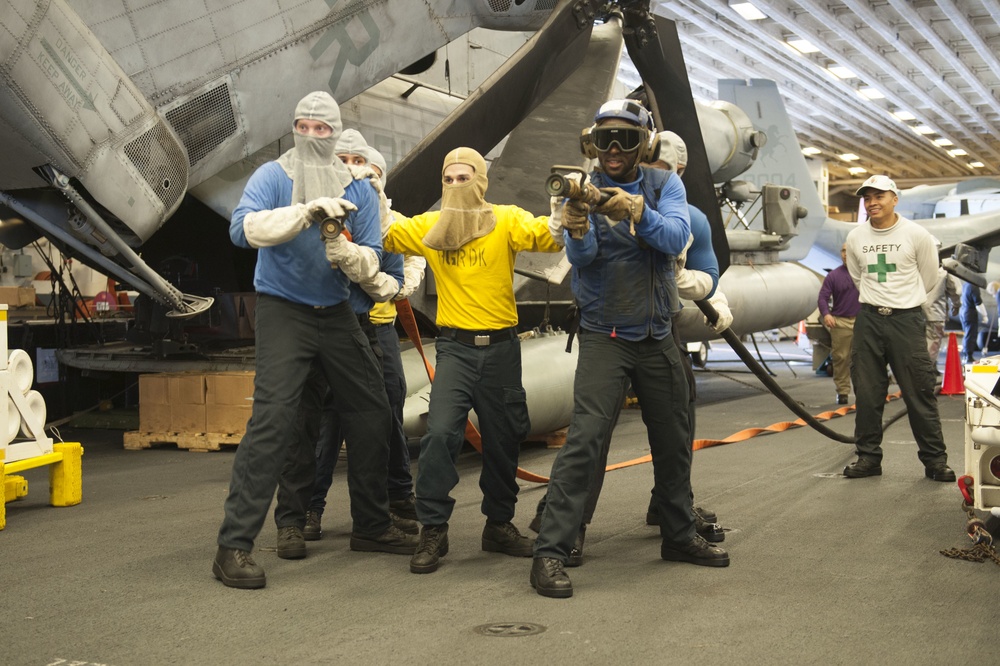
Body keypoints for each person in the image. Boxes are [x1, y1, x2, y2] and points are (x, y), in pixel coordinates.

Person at [212, 92, 416, 590]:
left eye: (322, 129)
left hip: (337, 310)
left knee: (372, 408)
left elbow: (370, 254)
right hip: (283, 309)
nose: (312, 136)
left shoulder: (361, 190)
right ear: (294, 130)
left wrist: (347, 252)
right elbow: (242, 230)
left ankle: (370, 524)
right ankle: (233, 546)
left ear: (335, 131)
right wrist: (303, 214)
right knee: (275, 420)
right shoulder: (274, 177)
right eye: (303, 126)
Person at [530, 100, 728, 599]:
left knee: (673, 438)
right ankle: (551, 551)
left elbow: (676, 236)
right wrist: (577, 226)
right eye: (604, 140)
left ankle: (679, 535)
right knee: (584, 443)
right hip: (605, 336)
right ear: (591, 143)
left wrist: (637, 210)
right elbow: (585, 258)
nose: (613, 150)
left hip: (657, 333)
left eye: (625, 139)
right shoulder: (582, 189)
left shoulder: (665, 187)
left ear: (645, 144)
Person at [382, 146, 564, 574]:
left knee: (504, 437)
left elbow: (548, 235)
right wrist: (368, 190)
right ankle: (433, 529)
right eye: (448, 179)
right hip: (457, 350)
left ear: (481, 181)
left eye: (465, 178)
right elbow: (387, 233)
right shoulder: (431, 226)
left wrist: (565, 212)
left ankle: (498, 525)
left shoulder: (505, 219)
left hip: (501, 349)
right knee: (441, 433)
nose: (456, 186)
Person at [273, 131, 422, 559]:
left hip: (354, 326)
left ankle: (372, 524)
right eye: (345, 159)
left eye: (361, 160)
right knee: (302, 427)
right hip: (302, 322)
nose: (354, 167)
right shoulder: (298, 207)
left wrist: (358, 262)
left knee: (373, 421)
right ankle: (294, 523)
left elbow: (389, 278)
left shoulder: (378, 216)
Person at [840, 174, 955, 482]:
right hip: (869, 319)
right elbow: (856, 276)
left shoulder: (917, 235)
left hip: (907, 319)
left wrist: (903, 300)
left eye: (879, 196)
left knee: (919, 391)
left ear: (894, 199)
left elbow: (930, 277)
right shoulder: (856, 238)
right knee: (867, 393)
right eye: (867, 198)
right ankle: (868, 458)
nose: (872, 203)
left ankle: (935, 461)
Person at [817, 243, 861, 404]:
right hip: (841, 322)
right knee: (841, 358)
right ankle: (842, 391)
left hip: (862, 322)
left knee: (863, 359)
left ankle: (863, 392)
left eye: (849, 251)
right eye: (843, 251)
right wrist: (826, 314)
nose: (845, 254)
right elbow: (822, 297)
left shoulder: (863, 274)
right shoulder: (833, 276)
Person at [921, 250, 960, 372]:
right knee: (931, 350)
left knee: (914, 348)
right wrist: (956, 305)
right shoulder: (944, 271)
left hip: (913, 314)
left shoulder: (914, 268)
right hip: (935, 314)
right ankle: (924, 379)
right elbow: (955, 291)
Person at [960, 281, 986, 363]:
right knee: (971, 335)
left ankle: (966, 355)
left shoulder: (965, 285)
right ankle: (968, 356)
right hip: (970, 313)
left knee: (967, 335)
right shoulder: (974, 287)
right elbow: (978, 303)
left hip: (964, 311)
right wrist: (984, 315)